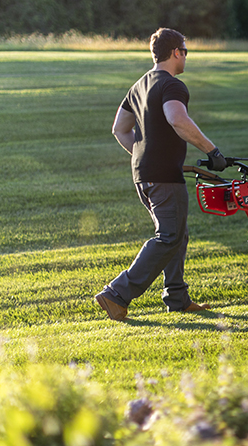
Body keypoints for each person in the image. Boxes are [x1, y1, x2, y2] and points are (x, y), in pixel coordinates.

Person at [94, 28, 227, 321]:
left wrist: (145, 155)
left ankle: (177, 297)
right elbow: (177, 119)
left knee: (177, 235)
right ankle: (116, 293)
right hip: (163, 177)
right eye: (186, 52)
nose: (186, 57)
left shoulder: (139, 85)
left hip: (143, 175)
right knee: (169, 237)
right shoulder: (172, 85)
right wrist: (212, 151)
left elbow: (120, 129)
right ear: (177, 52)